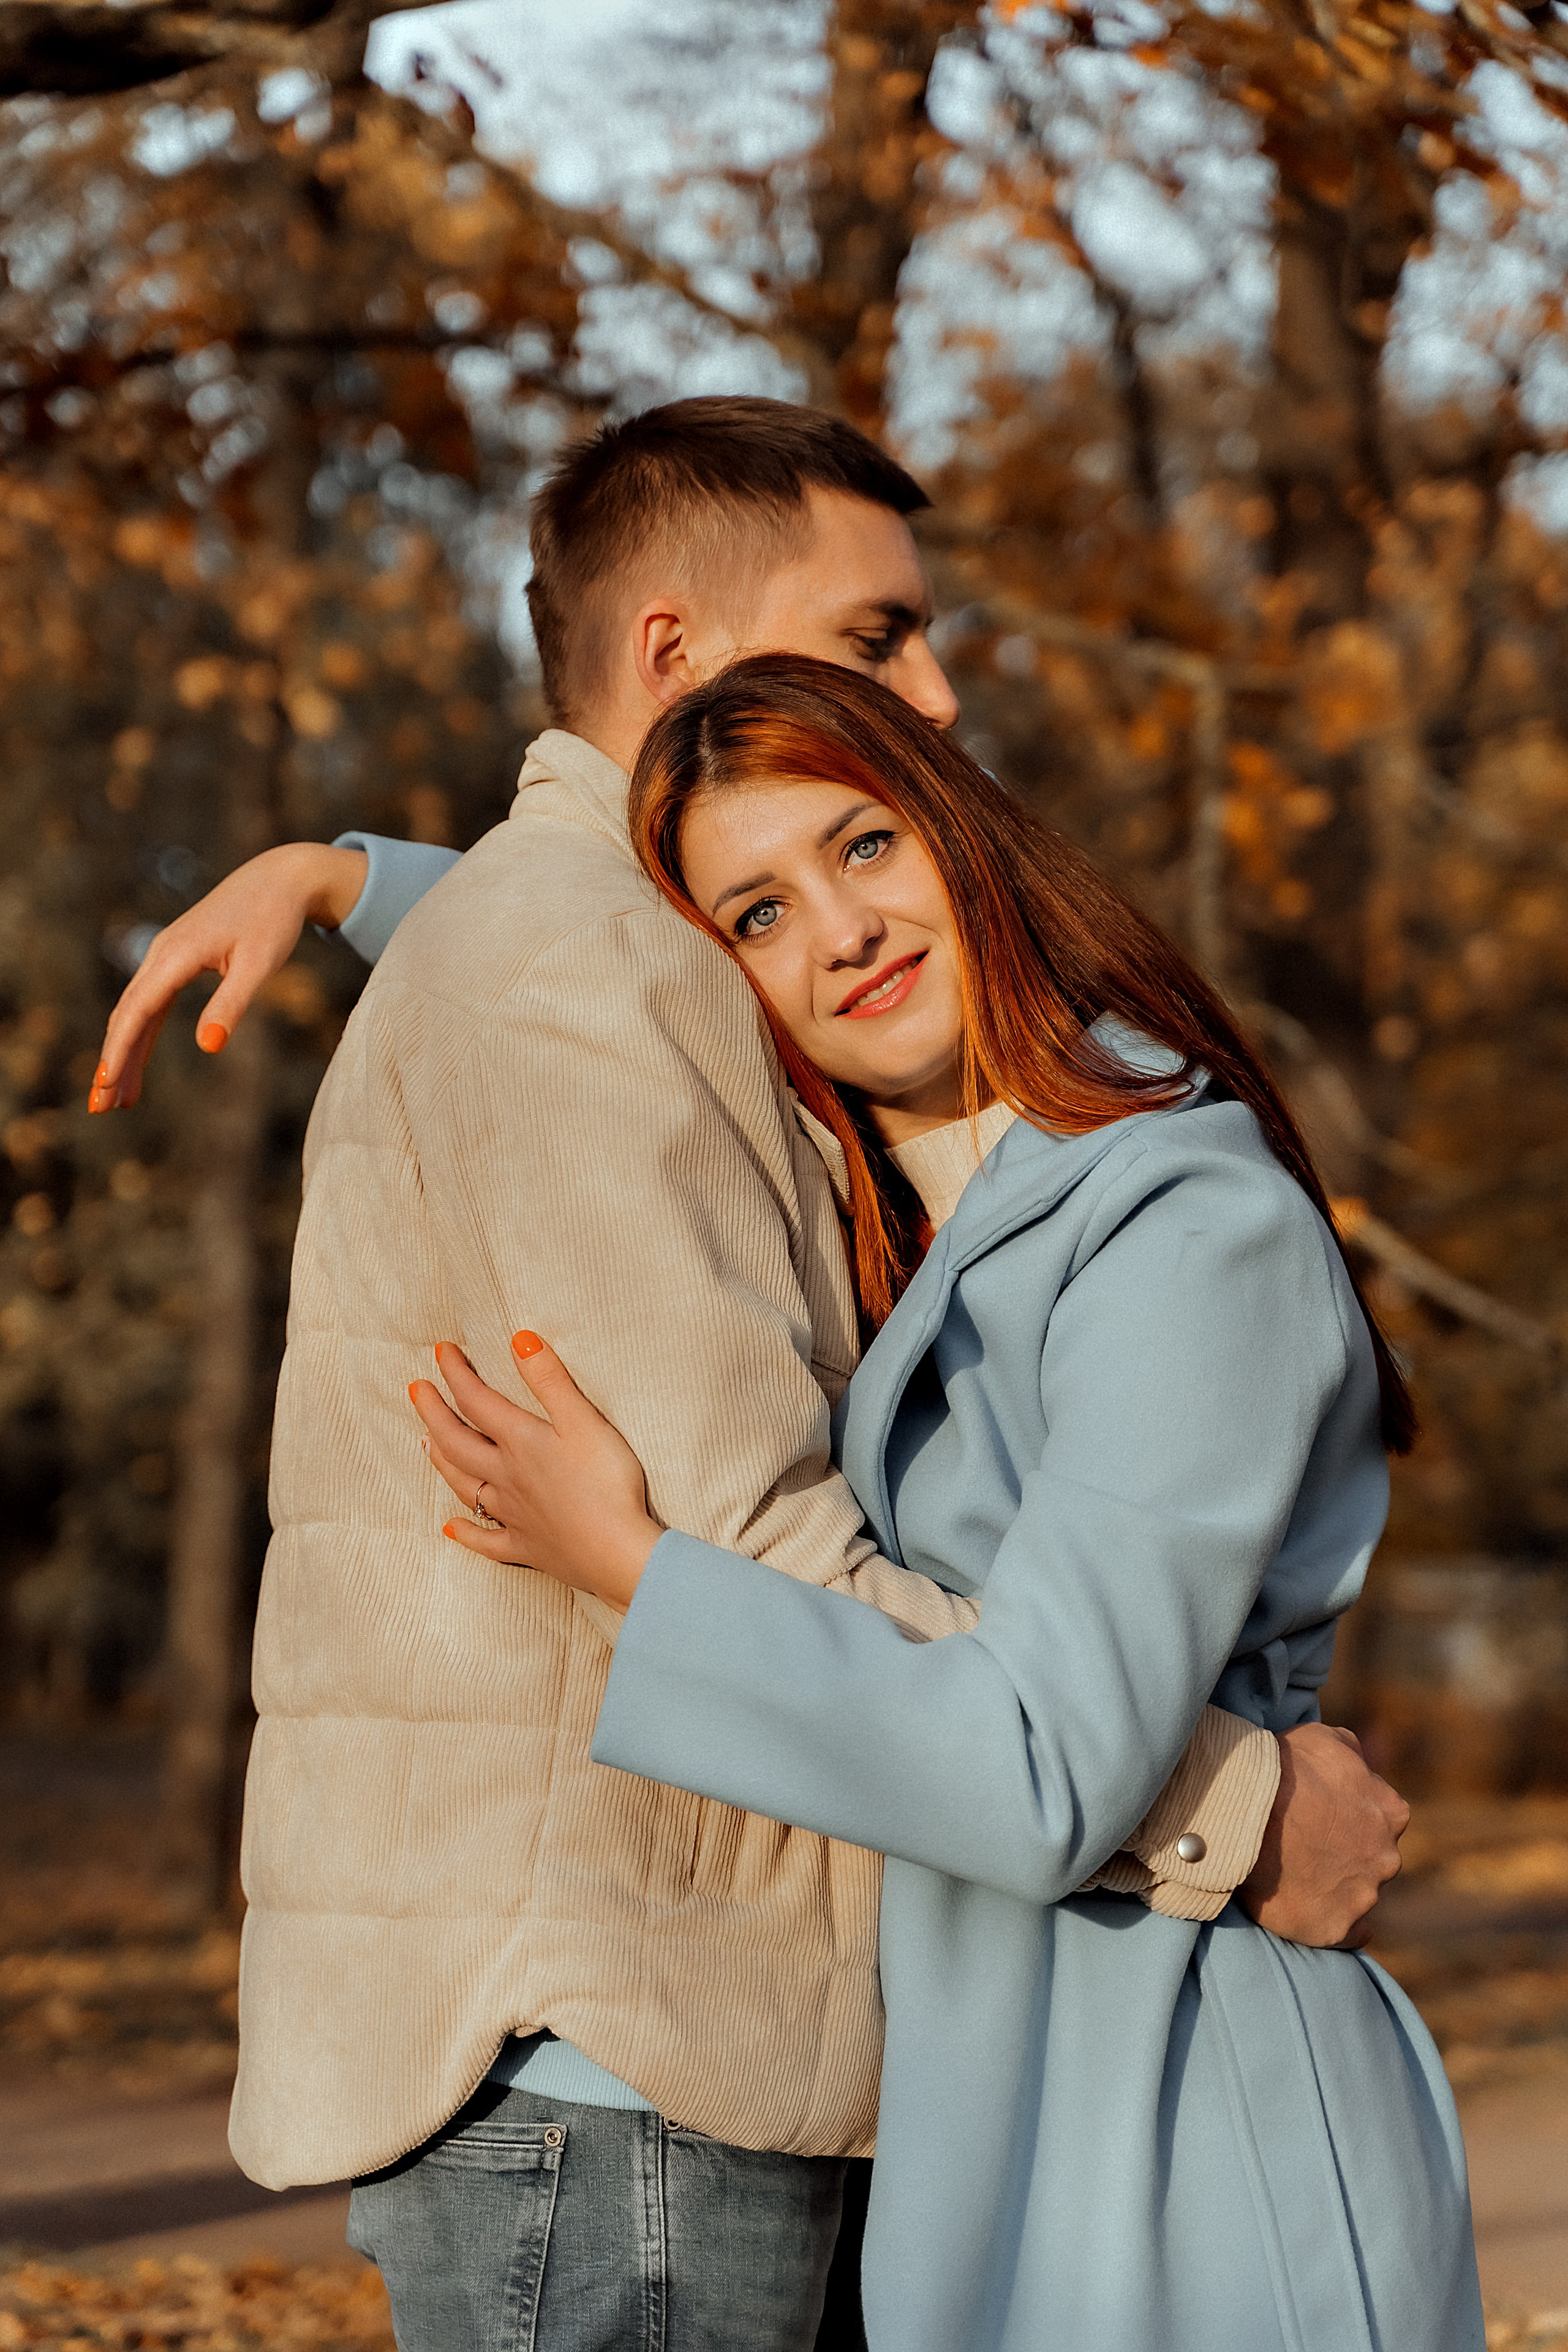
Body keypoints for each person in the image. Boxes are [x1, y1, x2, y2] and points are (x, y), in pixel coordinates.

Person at [92, 401, 1411, 2352]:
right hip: (627, 2053)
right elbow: (745, 1541)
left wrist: (355, 873)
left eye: (870, 837)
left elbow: (669, 936)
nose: (938, 693)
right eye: (878, 637)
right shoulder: (585, 968)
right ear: (675, 656)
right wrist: (1228, 1801)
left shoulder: (1089, 1176)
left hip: (828, 2060)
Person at [406, 653, 1484, 2352]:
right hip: (1008, 2096)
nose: (839, 933)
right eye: (758, 915)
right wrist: (346, 883)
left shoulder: (1182, 1223)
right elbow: (595, 959)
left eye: (865, 846)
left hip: (1192, 2114)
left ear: (963, 839)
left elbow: (1046, 1762)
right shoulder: (916, 1225)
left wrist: (635, 1566)